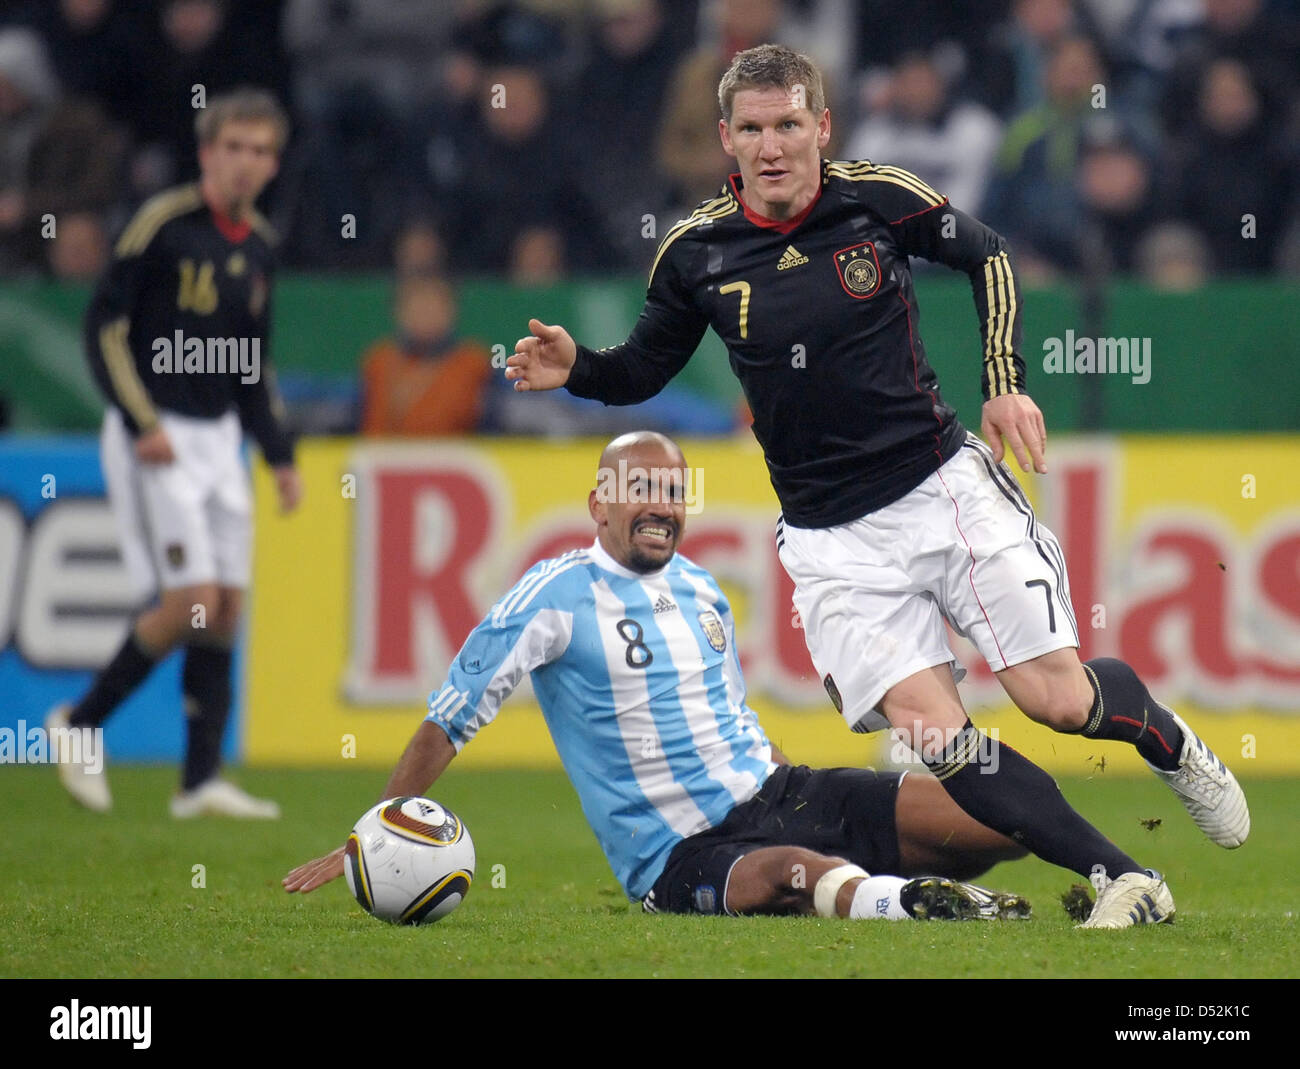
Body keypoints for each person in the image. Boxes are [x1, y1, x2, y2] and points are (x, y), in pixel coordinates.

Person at [505, 45, 1250, 929]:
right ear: (725, 140)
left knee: (1054, 700)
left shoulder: (874, 199)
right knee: (935, 736)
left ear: (821, 126)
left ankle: (1167, 739)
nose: (773, 145)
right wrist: (578, 368)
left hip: (943, 490)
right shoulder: (696, 253)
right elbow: (640, 366)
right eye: (753, 129)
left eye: (789, 124)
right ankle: (1125, 877)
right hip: (831, 539)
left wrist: (1006, 380)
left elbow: (990, 257)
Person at [285, 432, 1034, 921]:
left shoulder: (705, 587)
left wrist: (795, 782)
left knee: (993, 817)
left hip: (777, 791)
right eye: (639, 488)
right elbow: (451, 717)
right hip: (677, 853)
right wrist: (374, 826)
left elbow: (730, 713)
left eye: (672, 492)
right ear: (599, 504)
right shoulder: (552, 596)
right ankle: (919, 905)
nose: (659, 506)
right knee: (790, 871)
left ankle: (896, 884)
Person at [47, 88, 301, 819]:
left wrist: (279, 454)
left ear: (273, 162)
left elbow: (255, 361)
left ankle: (198, 781)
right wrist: (139, 418)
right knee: (189, 603)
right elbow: (104, 326)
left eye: (261, 151)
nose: (247, 163)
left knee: (226, 609)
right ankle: (79, 723)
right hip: (159, 435)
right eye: (235, 148)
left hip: (221, 439)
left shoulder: (258, 247)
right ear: (207, 152)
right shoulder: (162, 224)